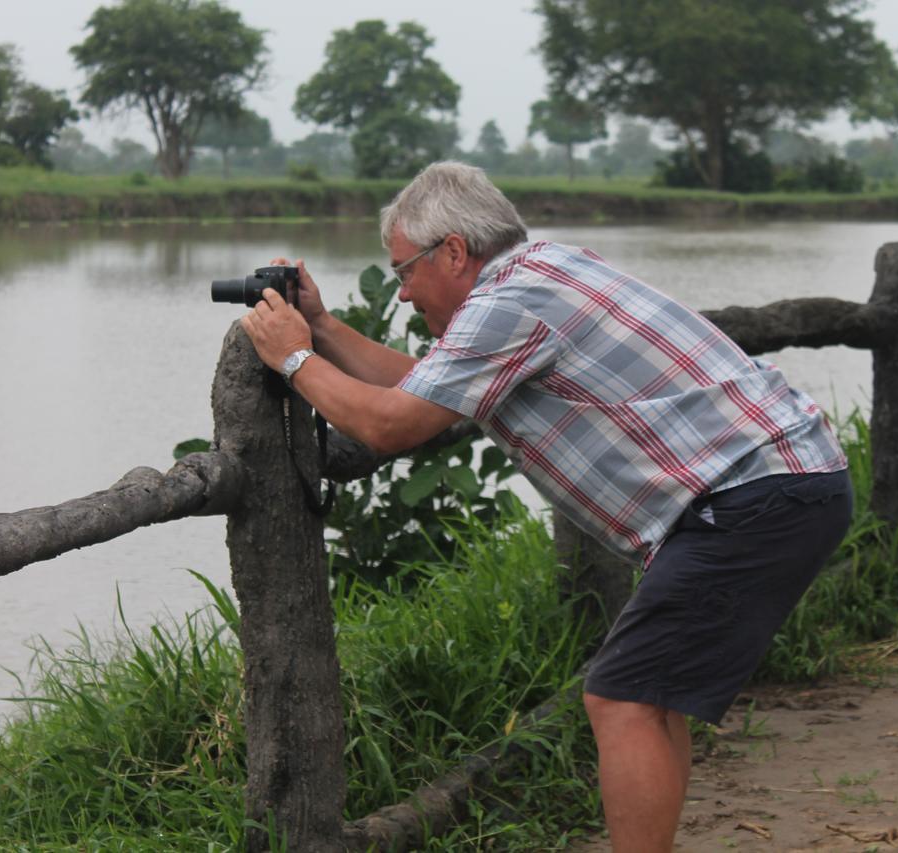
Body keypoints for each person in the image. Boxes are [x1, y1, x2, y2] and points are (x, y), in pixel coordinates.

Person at [239, 161, 852, 852]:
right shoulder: (540, 271)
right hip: (777, 482)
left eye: (405, 271)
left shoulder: (509, 303)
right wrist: (319, 327)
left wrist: (293, 360)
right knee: (643, 696)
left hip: (753, 495)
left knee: (621, 696)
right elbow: (424, 390)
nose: (404, 293)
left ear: (453, 251)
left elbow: (389, 424)